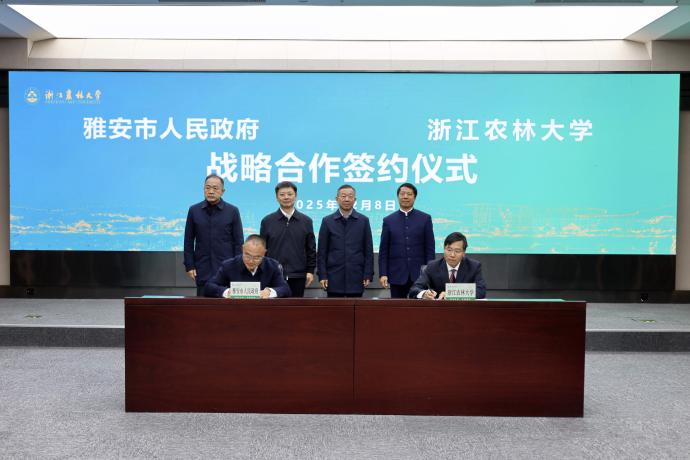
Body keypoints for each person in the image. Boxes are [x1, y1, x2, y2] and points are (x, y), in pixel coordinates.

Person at [183, 174, 244, 296]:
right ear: (203, 189)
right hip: (202, 267)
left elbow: (239, 242)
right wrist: (189, 265)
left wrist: (237, 266)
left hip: (226, 267)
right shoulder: (194, 210)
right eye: (207, 188)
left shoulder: (232, 211)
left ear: (223, 191)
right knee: (203, 304)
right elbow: (188, 240)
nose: (211, 191)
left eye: (215, 188)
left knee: (226, 304)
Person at [378, 182, 436, 298]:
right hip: (396, 274)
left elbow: (430, 248)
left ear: (414, 197)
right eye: (402, 194)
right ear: (398, 196)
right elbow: (384, 250)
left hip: (420, 275)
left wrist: (429, 273)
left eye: (409, 194)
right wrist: (383, 273)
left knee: (420, 307)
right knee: (398, 307)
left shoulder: (425, 218)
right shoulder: (388, 220)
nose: (405, 197)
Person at [260, 181, 316, 297]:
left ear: (296, 196)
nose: (286, 197)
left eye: (290, 194)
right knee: (273, 307)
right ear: (277, 197)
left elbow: (310, 249)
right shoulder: (267, 221)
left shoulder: (306, 221)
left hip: (298, 275)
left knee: (295, 307)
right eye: (282, 194)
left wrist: (310, 271)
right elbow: (262, 249)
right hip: (273, 274)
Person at [317, 184, 374, 297]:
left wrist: (368, 274)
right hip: (333, 276)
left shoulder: (363, 221)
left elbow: (368, 251)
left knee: (356, 307)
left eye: (350, 196)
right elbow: (322, 252)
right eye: (343, 196)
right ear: (337, 199)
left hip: (356, 276)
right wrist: (322, 275)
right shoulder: (327, 221)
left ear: (355, 199)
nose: (347, 199)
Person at [204, 235, 291, 298]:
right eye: (247, 255)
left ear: (264, 253)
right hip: (236, 310)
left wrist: (269, 292)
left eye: (257, 257)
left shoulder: (273, 266)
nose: (251, 261)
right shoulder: (229, 265)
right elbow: (209, 286)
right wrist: (227, 292)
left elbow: (285, 289)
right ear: (242, 249)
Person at [409, 231, 486, 300]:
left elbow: (481, 291)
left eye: (457, 251)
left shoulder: (473, 267)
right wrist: (424, 294)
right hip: (440, 309)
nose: (452, 255)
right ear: (444, 249)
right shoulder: (432, 267)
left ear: (463, 253)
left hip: (464, 309)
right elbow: (414, 289)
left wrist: (451, 294)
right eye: (449, 250)